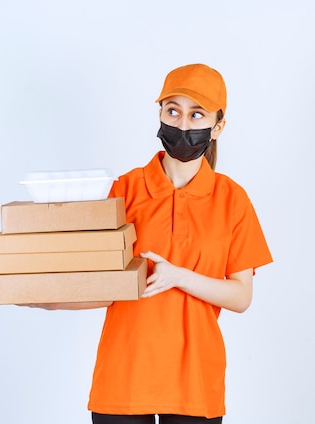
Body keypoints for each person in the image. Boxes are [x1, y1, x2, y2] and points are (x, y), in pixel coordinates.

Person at [35, 63, 273, 424]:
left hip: (194, 383)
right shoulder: (123, 191)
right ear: (160, 114)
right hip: (124, 377)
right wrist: (47, 298)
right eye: (173, 111)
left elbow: (241, 296)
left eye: (197, 114)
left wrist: (178, 276)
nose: (182, 124)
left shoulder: (232, 199)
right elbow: (106, 286)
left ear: (218, 126)